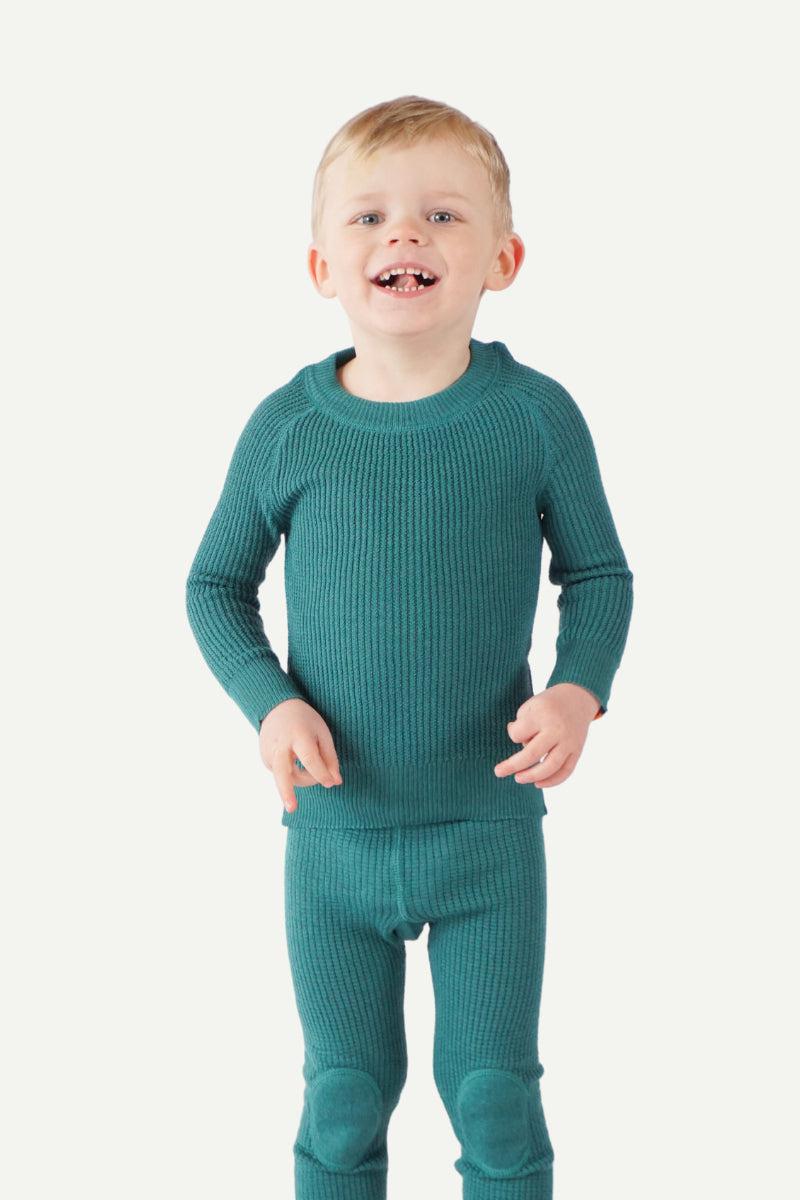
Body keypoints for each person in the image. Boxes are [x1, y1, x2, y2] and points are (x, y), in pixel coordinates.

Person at [185, 94, 634, 1200]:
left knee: (492, 1095)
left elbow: (598, 576)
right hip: (332, 834)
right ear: (320, 267)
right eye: (369, 217)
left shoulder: (533, 415)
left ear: (503, 258)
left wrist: (577, 690)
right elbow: (214, 586)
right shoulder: (289, 427)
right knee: (343, 1097)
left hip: (487, 831)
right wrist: (269, 702)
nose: (404, 235)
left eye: (441, 214)